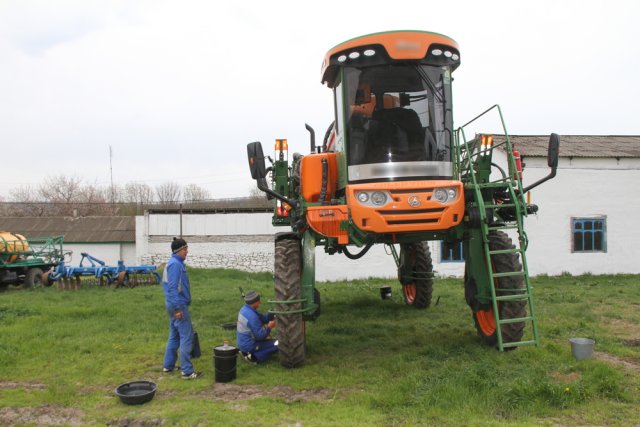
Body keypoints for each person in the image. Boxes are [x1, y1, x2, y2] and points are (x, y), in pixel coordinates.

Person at [162, 237, 201, 379]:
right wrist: (178, 308)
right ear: (178, 251)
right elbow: (172, 288)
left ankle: (168, 366)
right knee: (186, 336)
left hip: (172, 304)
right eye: (185, 249)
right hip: (178, 305)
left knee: (174, 336)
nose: (187, 251)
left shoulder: (172, 263)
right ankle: (187, 371)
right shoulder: (176, 265)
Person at [237, 290, 278, 364]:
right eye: (259, 301)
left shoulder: (245, 309)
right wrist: (269, 327)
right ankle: (253, 357)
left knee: (272, 341)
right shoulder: (252, 316)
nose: (260, 303)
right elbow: (260, 336)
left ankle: (245, 352)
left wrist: (271, 314)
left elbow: (261, 318)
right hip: (250, 345)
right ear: (254, 302)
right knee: (279, 343)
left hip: (243, 343)